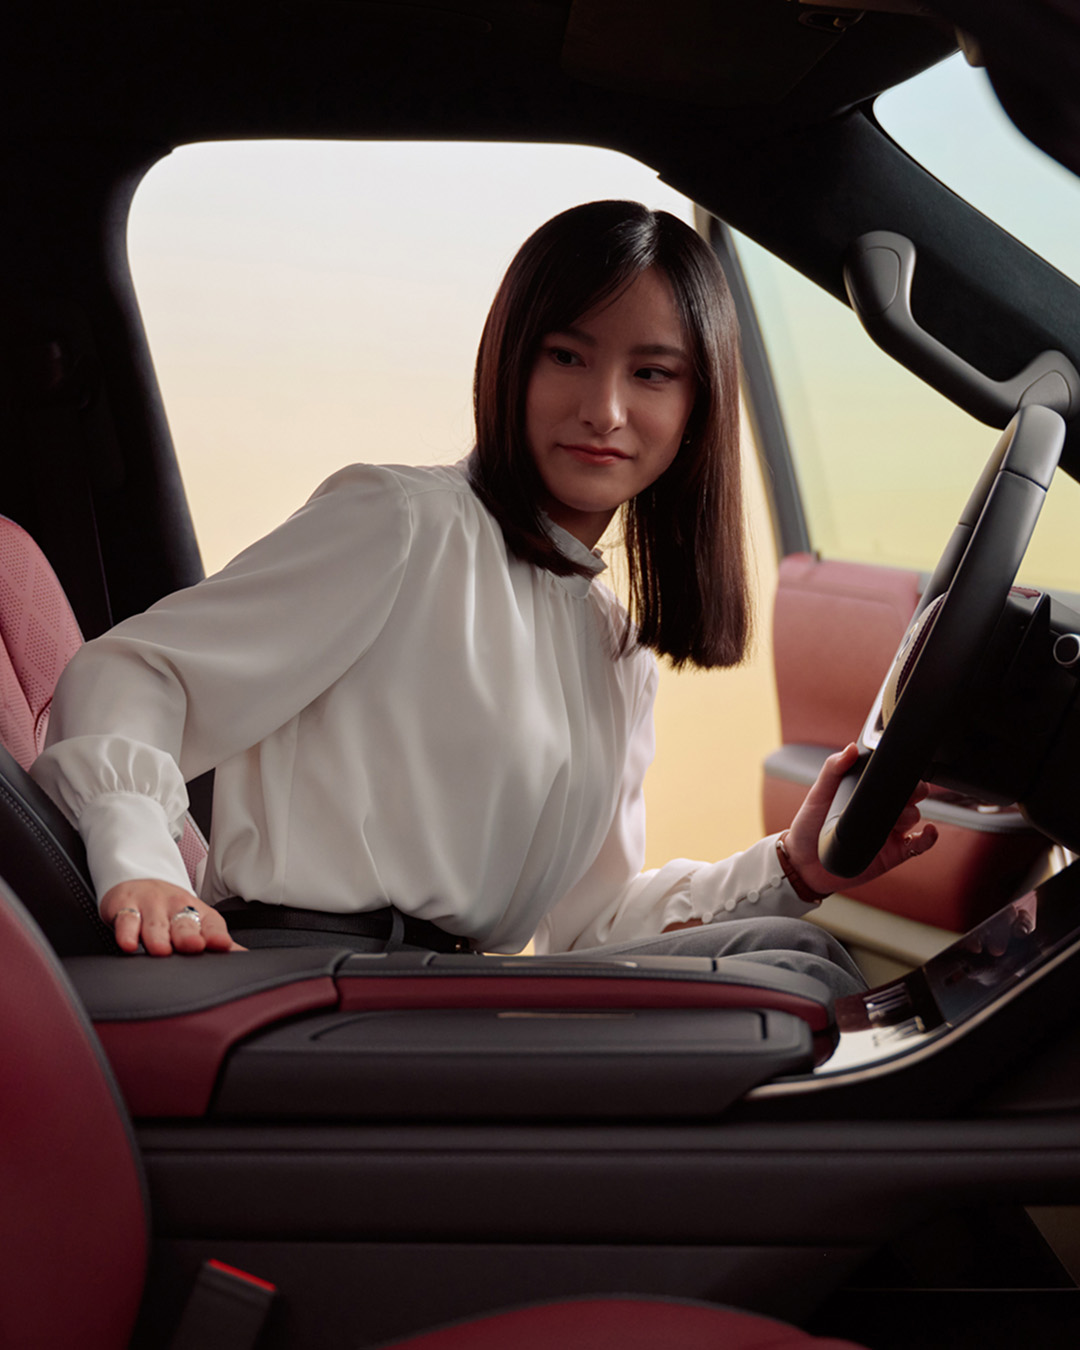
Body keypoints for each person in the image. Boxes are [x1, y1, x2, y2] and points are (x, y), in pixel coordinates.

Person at [30, 200, 936, 996]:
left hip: (449, 995)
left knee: (786, 957)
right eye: (568, 355)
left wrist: (792, 864)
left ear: (699, 408)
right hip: (312, 983)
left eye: (652, 373)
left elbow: (590, 926)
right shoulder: (402, 524)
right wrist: (140, 867)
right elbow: (131, 673)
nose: (605, 409)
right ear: (512, 362)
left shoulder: (612, 645)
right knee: (785, 972)